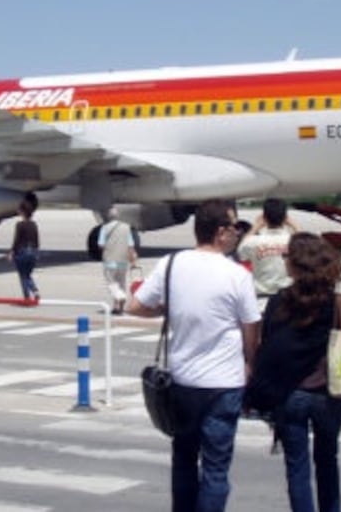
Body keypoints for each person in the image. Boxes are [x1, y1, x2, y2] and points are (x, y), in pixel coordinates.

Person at [128, 199, 261, 512]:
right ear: (220, 233)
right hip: (224, 384)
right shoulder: (236, 274)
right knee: (216, 467)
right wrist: (250, 364)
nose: (236, 234)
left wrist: (166, 308)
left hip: (183, 381)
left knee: (184, 459)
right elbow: (251, 327)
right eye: (233, 227)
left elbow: (134, 305)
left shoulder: (171, 264)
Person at [249, 233, 341, 512]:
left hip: (290, 393)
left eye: (287, 257)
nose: (283, 261)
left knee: (296, 467)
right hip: (329, 395)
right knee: (328, 461)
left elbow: (268, 345)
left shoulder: (279, 302)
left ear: (296, 265)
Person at [236, 198, 296, 297]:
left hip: (261, 295)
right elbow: (307, 243)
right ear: (285, 217)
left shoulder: (253, 241)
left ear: (264, 217)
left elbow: (241, 250)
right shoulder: (293, 240)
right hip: (288, 295)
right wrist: (294, 224)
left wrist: (256, 226)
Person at [98, 207, 139, 314]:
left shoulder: (105, 228)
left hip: (110, 260)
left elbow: (101, 244)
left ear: (108, 216)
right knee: (121, 283)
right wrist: (133, 260)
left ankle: (120, 299)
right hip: (123, 261)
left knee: (112, 283)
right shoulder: (126, 228)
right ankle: (119, 307)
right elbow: (130, 246)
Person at [7, 193, 40, 301]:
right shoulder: (34, 224)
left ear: (23, 212)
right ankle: (35, 291)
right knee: (27, 275)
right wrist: (36, 253)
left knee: (23, 276)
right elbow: (37, 240)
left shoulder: (19, 225)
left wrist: (12, 252)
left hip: (22, 252)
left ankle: (27, 297)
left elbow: (17, 240)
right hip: (33, 252)